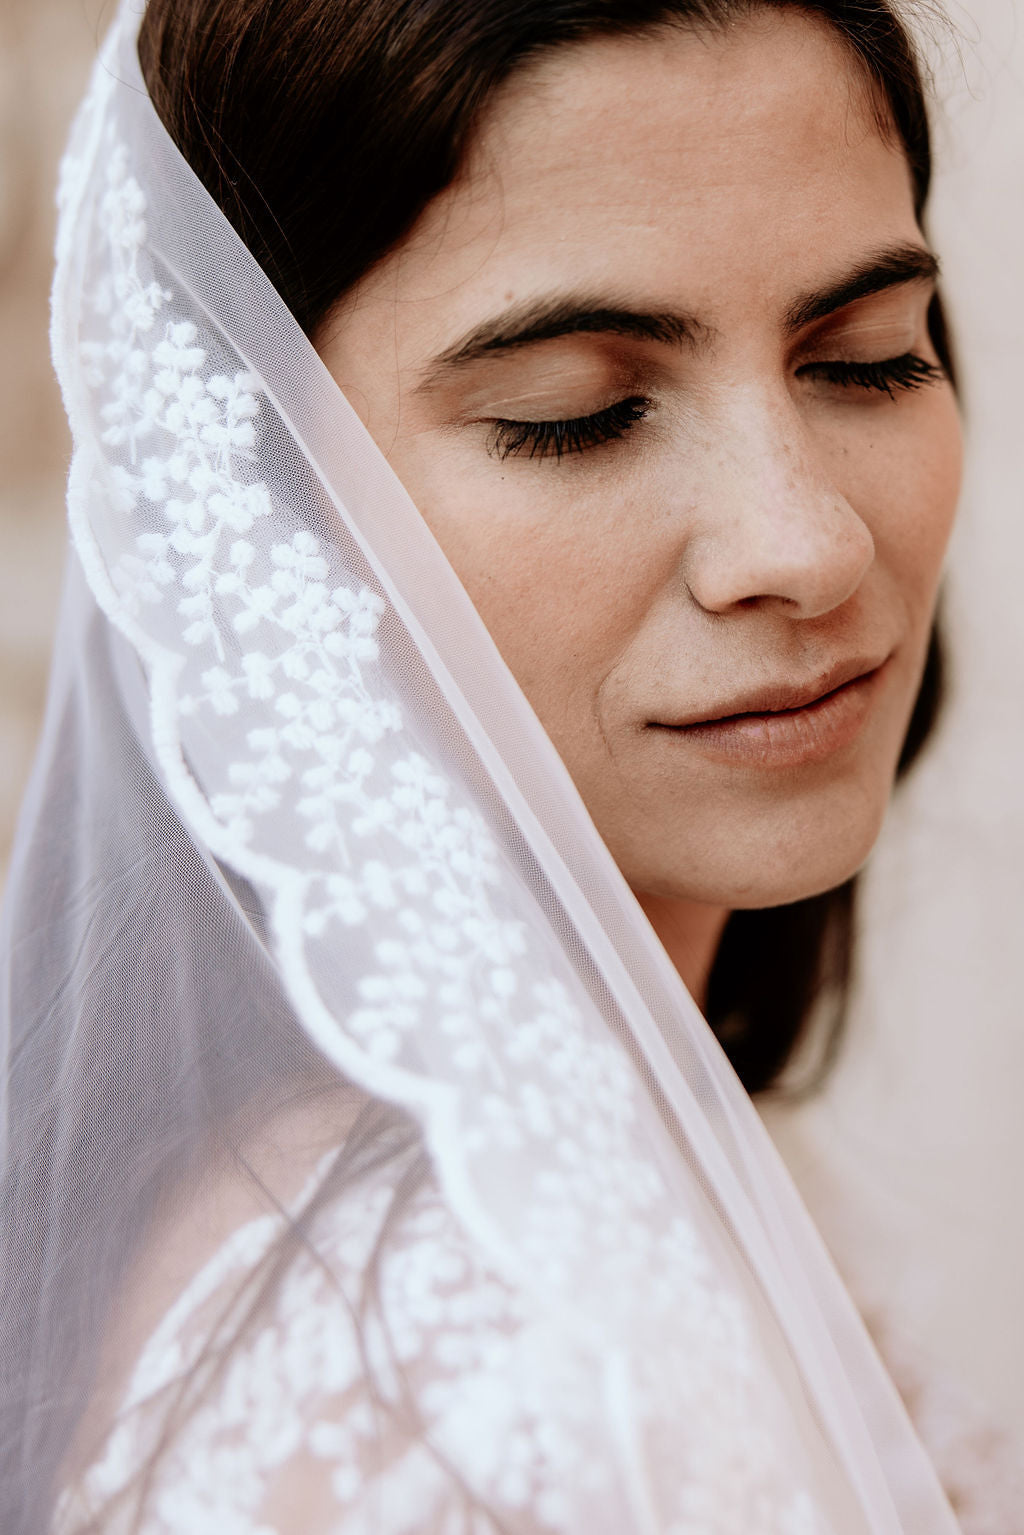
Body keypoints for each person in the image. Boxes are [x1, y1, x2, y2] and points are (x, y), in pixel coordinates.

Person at [0, 0, 1019, 1529]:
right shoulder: (487, 1385)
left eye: (866, 358)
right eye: (579, 415)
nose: (805, 543)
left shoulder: (598, 1163)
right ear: (256, 511)